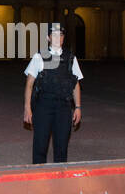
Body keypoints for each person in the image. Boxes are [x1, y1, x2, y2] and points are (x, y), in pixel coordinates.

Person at [23, 21, 82, 163]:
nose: (58, 38)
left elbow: (76, 84)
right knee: (40, 146)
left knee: (61, 147)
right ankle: (38, 177)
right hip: (43, 105)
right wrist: (27, 108)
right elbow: (29, 84)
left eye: (61, 35)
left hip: (64, 107)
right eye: (54, 35)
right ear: (48, 38)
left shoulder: (70, 58)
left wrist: (78, 107)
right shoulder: (39, 56)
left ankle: (59, 179)